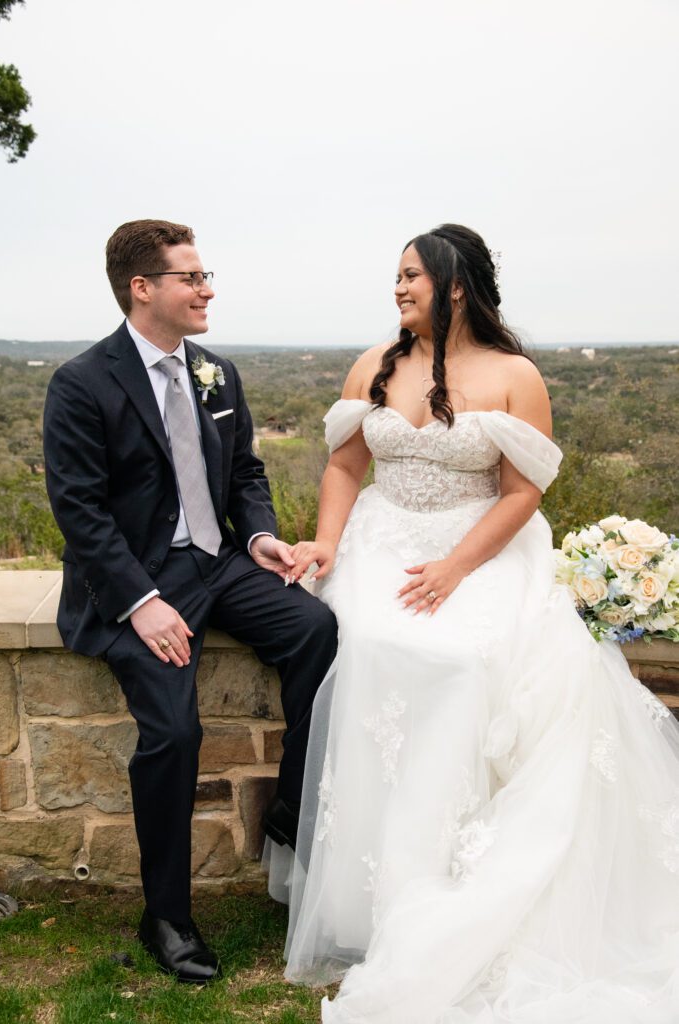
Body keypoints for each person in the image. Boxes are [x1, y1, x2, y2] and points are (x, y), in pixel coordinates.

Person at [267, 224, 679, 1022]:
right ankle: (365, 896)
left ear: (456, 286)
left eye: (411, 276)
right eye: (394, 276)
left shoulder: (513, 375)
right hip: (381, 547)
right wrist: (324, 541)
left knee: (462, 661)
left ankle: (448, 880)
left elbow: (522, 492)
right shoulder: (373, 365)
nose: (397, 288)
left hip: (478, 549)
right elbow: (346, 465)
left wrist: (457, 566)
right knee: (371, 645)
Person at [43, 219, 337, 983]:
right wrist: (139, 599)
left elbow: (244, 473)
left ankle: (286, 807)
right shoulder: (81, 382)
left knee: (315, 629)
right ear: (142, 288)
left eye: (206, 277)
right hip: (140, 577)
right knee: (174, 731)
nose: (207, 290)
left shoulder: (215, 372)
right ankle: (166, 915)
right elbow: (78, 509)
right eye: (192, 277)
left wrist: (262, 538)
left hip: (221, 562)